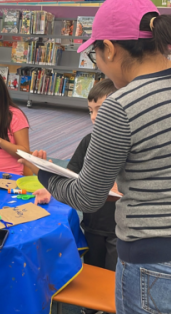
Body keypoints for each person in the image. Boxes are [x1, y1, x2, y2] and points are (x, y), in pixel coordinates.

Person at [20, 0, 171, 313]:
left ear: (109, 48)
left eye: (95, 53)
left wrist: (42, 171)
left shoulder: (120, 106)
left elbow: (87, 198)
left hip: (153, 258)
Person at [35, 79, 118, 314]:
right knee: (91, 273)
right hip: (92, 223)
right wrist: (51, 185)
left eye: (100, 110)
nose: (93, 117)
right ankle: (89, 310)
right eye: (90, 110)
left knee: (114, 279)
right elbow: (71, 174)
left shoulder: (127, 145)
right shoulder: (88, 141)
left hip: (119, 229)